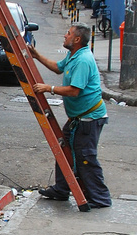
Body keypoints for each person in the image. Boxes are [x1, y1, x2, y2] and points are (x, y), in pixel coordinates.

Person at [29, 23, 111, 209]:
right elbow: (58, 68)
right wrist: (37, 56)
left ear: (77, 39)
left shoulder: (83, 60)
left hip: (89, 119)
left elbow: (74, 91)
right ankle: (61, 189)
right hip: (78, 119)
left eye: (68, 33)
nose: (64, 36)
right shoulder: (73, 55)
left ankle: (100, 198)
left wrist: (48, 88)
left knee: (86, 158)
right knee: (63, 150)